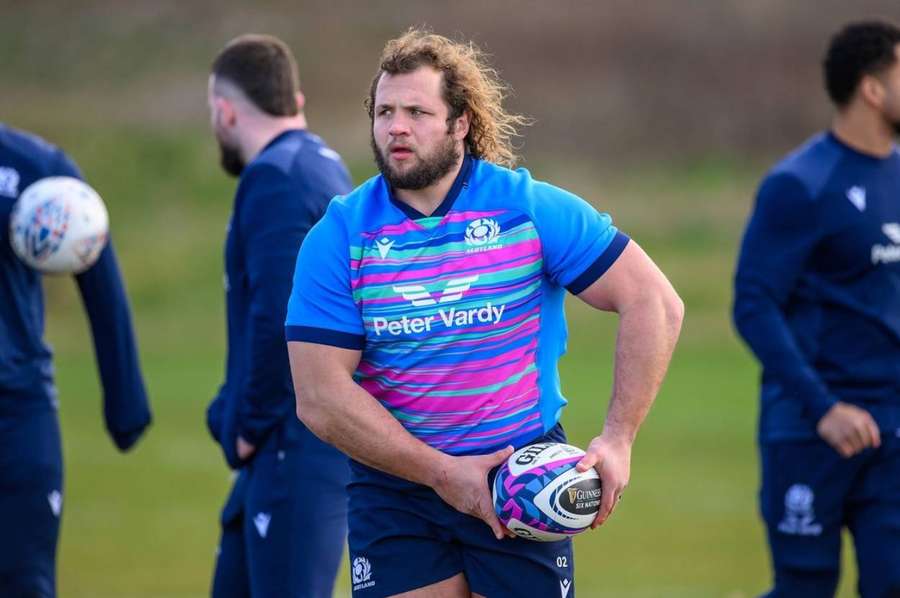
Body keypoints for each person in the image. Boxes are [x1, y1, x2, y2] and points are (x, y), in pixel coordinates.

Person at [285, 29, 683, 597]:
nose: (396, 126)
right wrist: (439, 472)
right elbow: (320, 395)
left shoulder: (526, 209)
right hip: (396, 492)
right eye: (385, 111)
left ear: (461, 123)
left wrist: (618, 438)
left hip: (524, 484)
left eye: (418, 111)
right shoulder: (341, 235)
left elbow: (655, 302)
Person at [733, 20, 900, 598]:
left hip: (892, 428)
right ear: (873, 89)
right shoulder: (800, 185)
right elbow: (753, 305)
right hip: (811, 430)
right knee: (804, 587)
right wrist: (824, 408)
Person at [204, 34, 352, 598]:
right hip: (295, 443)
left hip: (292, 443)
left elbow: (280, 317)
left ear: (225, 111)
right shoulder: (321, 162)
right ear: (297, 98)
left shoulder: (274, 178)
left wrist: (245, 421)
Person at [0, 123, 152, 597]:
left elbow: (101, 282)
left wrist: (126, 402)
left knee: (26, 582)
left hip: (17, 409)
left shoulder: (34, 167)